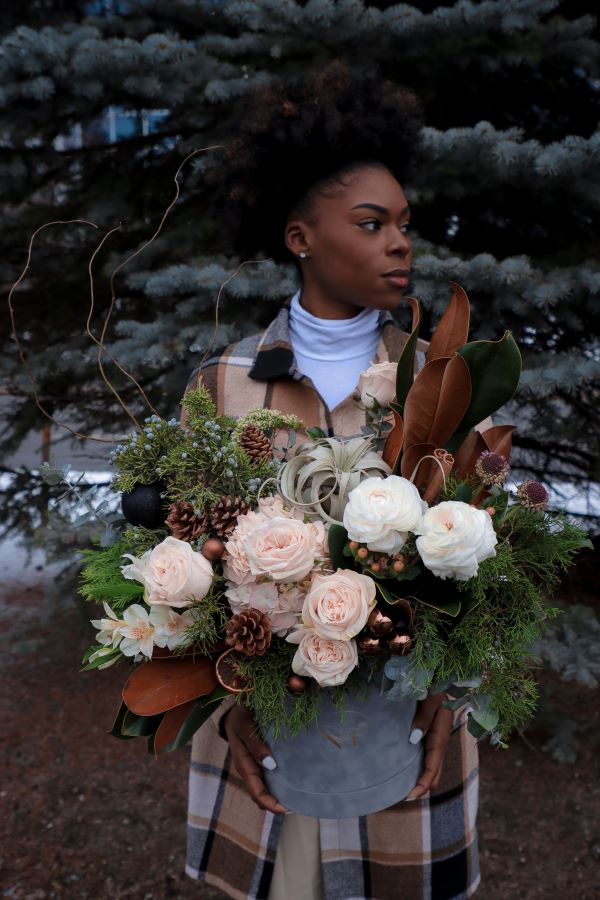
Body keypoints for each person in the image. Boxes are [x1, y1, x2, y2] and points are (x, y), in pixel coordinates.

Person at [184, 61, 480, 900]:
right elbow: (182, 570)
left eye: (405, 224)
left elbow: (491, 566)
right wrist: (226, 709)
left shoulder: (444, 379)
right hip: (268, 748)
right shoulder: (224, 384)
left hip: (406, 740)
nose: (400, 242)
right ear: (300, 237)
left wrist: (448, 697)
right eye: (371, 221)